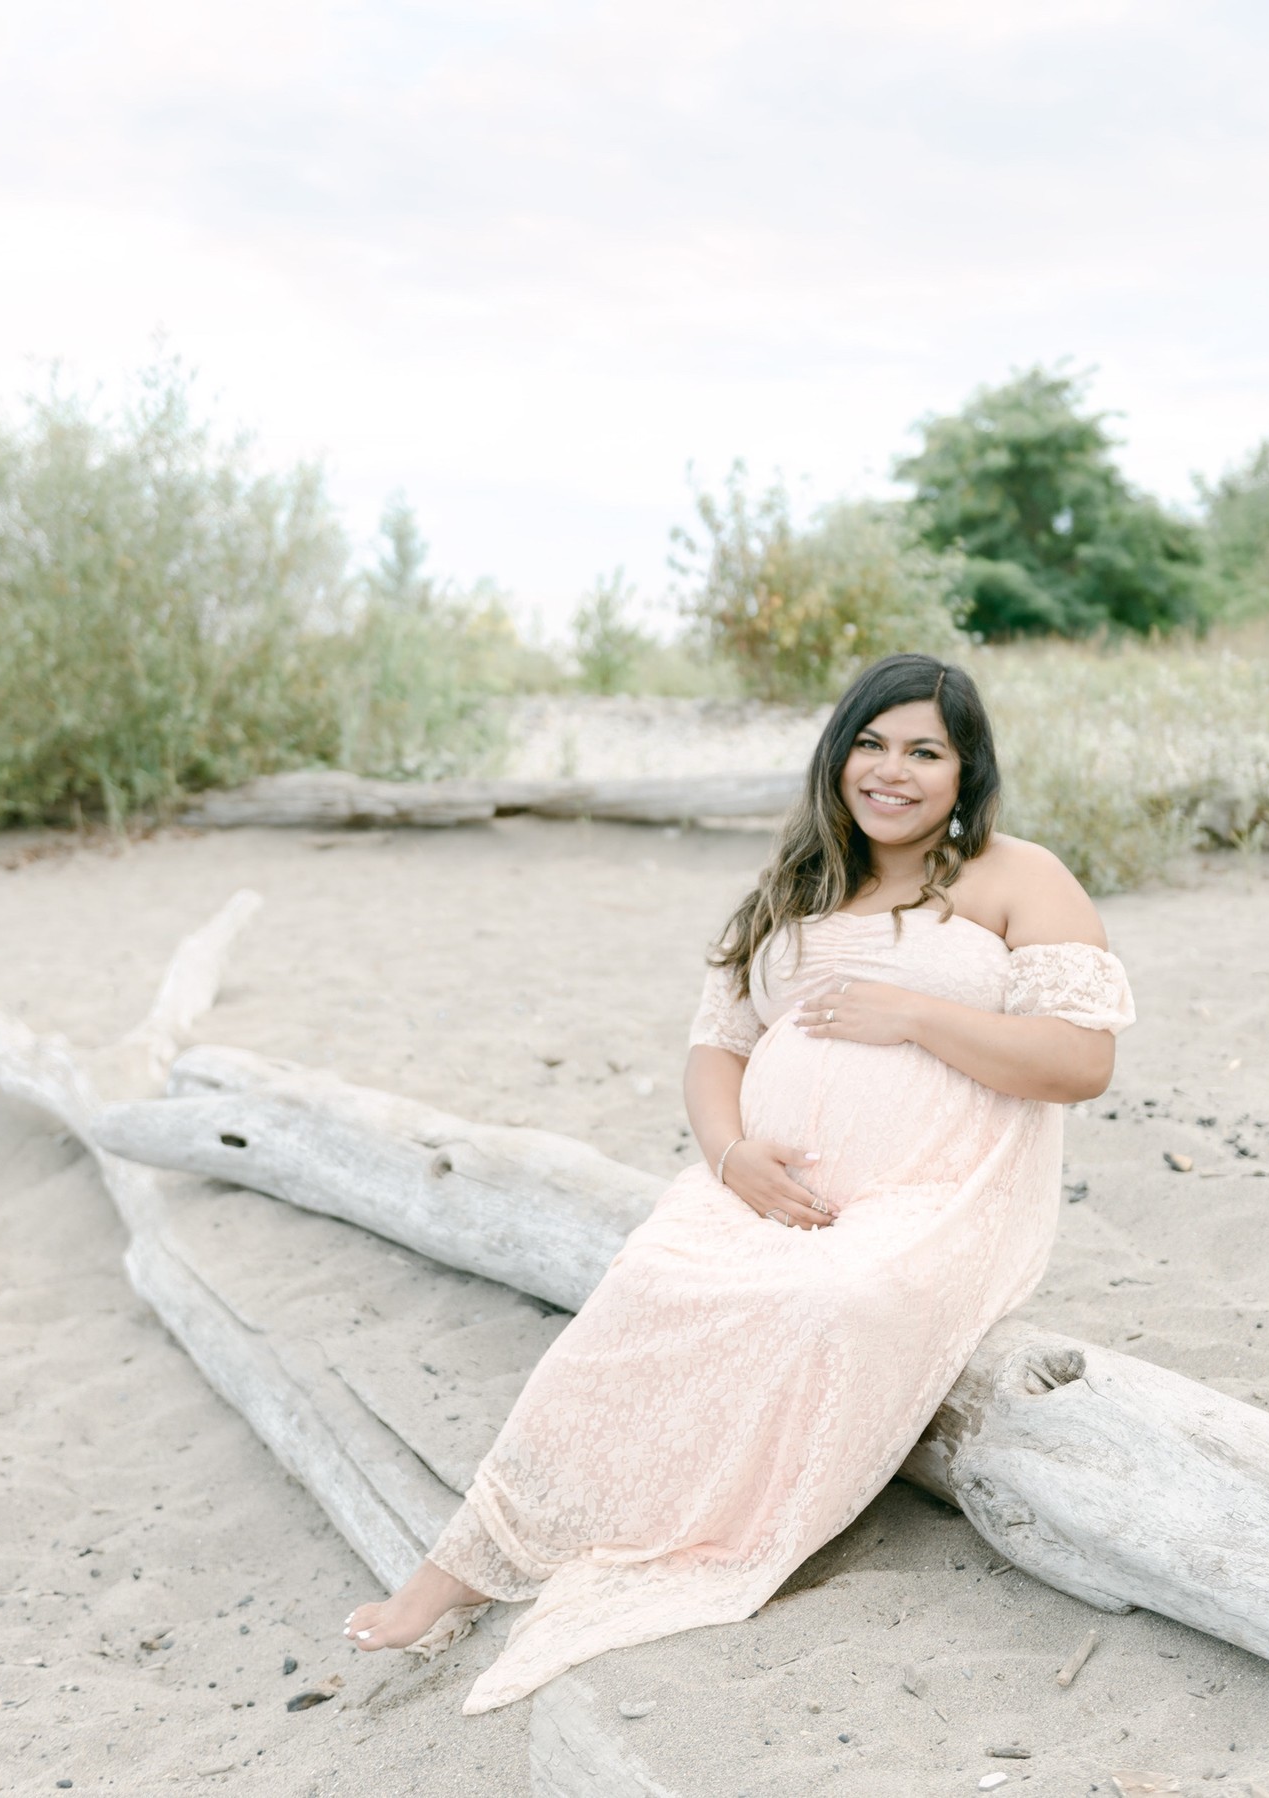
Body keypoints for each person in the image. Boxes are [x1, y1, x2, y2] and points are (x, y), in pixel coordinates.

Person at [341, 651, 1135, 1713]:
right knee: (641, 1293)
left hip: (937, 1196)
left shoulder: (1013, 875)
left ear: (963, 772)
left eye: (922, 751)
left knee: (827, 1300)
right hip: (763, 1191)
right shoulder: (794, 883)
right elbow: (716, 1048)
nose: (889, 772)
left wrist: (913, 1014)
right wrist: (729, 1156)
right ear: (835, 754)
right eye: (868, 743)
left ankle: (691, 1532)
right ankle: (464, 1566)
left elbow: (1080, 1061)